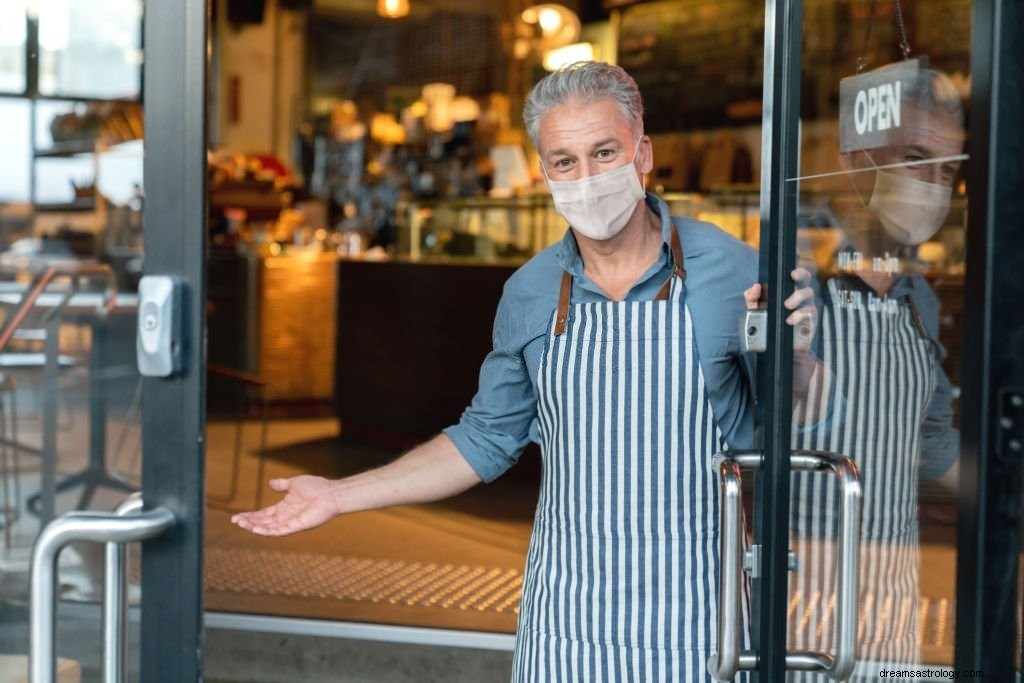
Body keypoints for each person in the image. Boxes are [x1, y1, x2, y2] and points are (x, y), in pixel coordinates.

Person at [233, 61, 819, 682]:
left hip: (698, 623)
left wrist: (799, 357)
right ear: (544, 174)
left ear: (642, 153)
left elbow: (789, 423)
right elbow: (485, 438)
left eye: (604, 152)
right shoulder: (532, 292)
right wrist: (337, 494)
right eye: (565, 162)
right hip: (567, 623)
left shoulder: (734, 271)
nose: (587, 178)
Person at [785, 66, 964, 680]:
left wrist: (1006, 490)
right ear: (857, 159)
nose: (935, 188)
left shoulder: (919, 297)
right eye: (917, 159)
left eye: (948, 171)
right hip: (796, 593)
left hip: (891, 591)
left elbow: (932, 442)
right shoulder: (791, 269)